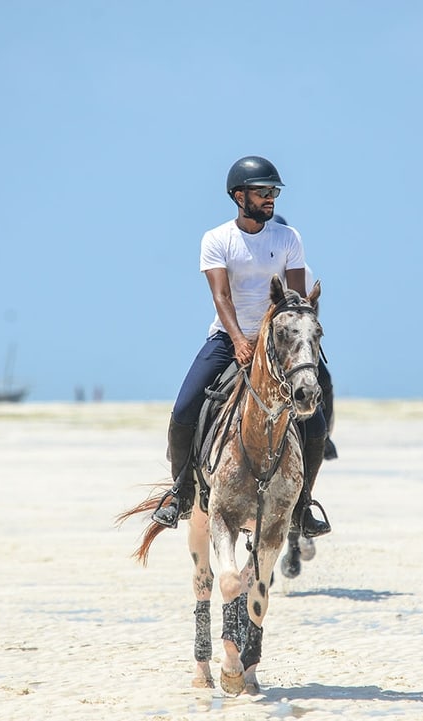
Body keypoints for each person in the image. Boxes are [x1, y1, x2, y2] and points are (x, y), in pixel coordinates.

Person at [152, 156, 332, 538]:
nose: (271, 199)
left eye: (274, 193)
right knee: (185, 408)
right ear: (239, 196)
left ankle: (303, 505)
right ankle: (180, 492)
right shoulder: (217, 239)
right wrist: (237, 341)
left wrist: (289, 342)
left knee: (314, 424)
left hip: (276, 343)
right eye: (263, 192)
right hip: (226, 336)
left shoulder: (289, 238)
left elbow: (294, 299)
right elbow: (221, 297)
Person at [272, 214, 338, 461]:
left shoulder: (304, 271)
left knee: (325, 381)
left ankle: (325, 438)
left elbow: (309, 310)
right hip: (252, 336)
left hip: (291, 342)